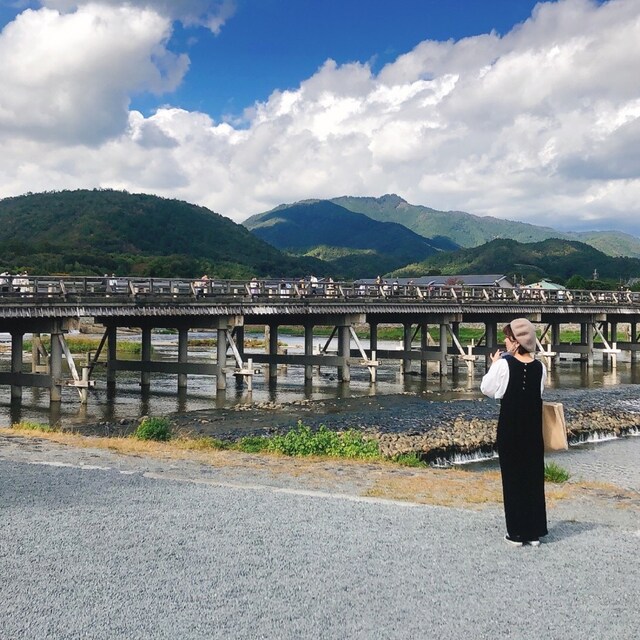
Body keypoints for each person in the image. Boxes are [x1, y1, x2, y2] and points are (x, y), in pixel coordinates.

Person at [480, 318, 548, 547]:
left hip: (510, 427)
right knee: (533, 478)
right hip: (533, 429)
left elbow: (487, 389)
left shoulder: (503, 365)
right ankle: (533, 532)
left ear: (517, 342)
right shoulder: (540, 367)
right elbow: (538, 393)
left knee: (512, 478)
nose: (506, 342)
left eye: (508, 338)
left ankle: (516, 533)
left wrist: (494, 364)